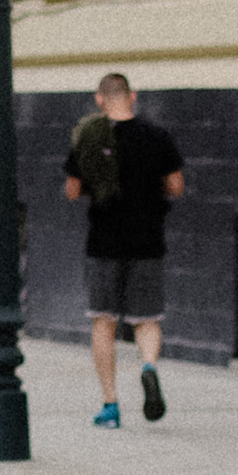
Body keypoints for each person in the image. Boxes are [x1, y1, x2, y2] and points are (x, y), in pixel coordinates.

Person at [64, 69, 185, 428]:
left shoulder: (90, 136)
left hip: (104, 241)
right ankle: (148, 366)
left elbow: (72, 190)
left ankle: (111, 405)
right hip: (148, 240)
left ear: (99, 100)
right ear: (132, 96)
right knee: (146, 321)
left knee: (104, 321)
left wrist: (96, 188)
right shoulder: (157, 136)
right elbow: (176, 185)